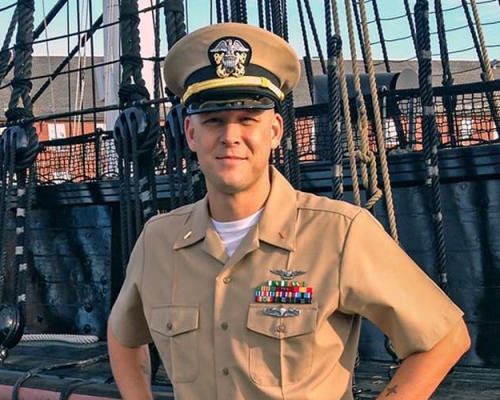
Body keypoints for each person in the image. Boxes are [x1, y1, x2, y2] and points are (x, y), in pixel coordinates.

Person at [107, 23, 470, 400]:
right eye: (213, 121)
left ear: (275, 130)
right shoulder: (159, 241)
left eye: (248, 119)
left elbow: (444, 338)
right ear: (191, 134)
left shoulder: (339, 233)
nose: (230, 136)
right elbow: (123, 337)